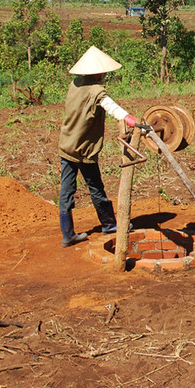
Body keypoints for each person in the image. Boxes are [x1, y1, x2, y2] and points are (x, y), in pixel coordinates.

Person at [58, 46, 139, 247]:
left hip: (66, 145)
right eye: (103, 72)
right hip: (84, 149)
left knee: (66, 190)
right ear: (97, 73)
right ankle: (109, 224)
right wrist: (134, 121)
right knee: (95, 186)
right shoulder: (96, 91)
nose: (105, 75)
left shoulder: (75, 84)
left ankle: (67, 234)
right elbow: (113, 108)